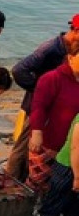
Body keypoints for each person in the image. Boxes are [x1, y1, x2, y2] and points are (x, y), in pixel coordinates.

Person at [6, 15, 79, 183]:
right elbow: (19, 70)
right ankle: (12, 180)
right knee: (25, 144)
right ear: (75, 30)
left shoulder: (71, 49)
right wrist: (39, 89)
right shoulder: (51, 48)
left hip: (58, 106)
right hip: (39, 103)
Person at [26, 39, 79, 196]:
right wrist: (36, 132)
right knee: (39, 184)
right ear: (71, 57)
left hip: (72, 144)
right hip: (48, 142)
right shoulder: (52, 78)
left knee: (64, 188)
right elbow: (38, 106)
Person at [29, 113, 79, 216]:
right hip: (68, 166)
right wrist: (77, 177)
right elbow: (76, 149)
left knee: (75, 206)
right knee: (54, 202)